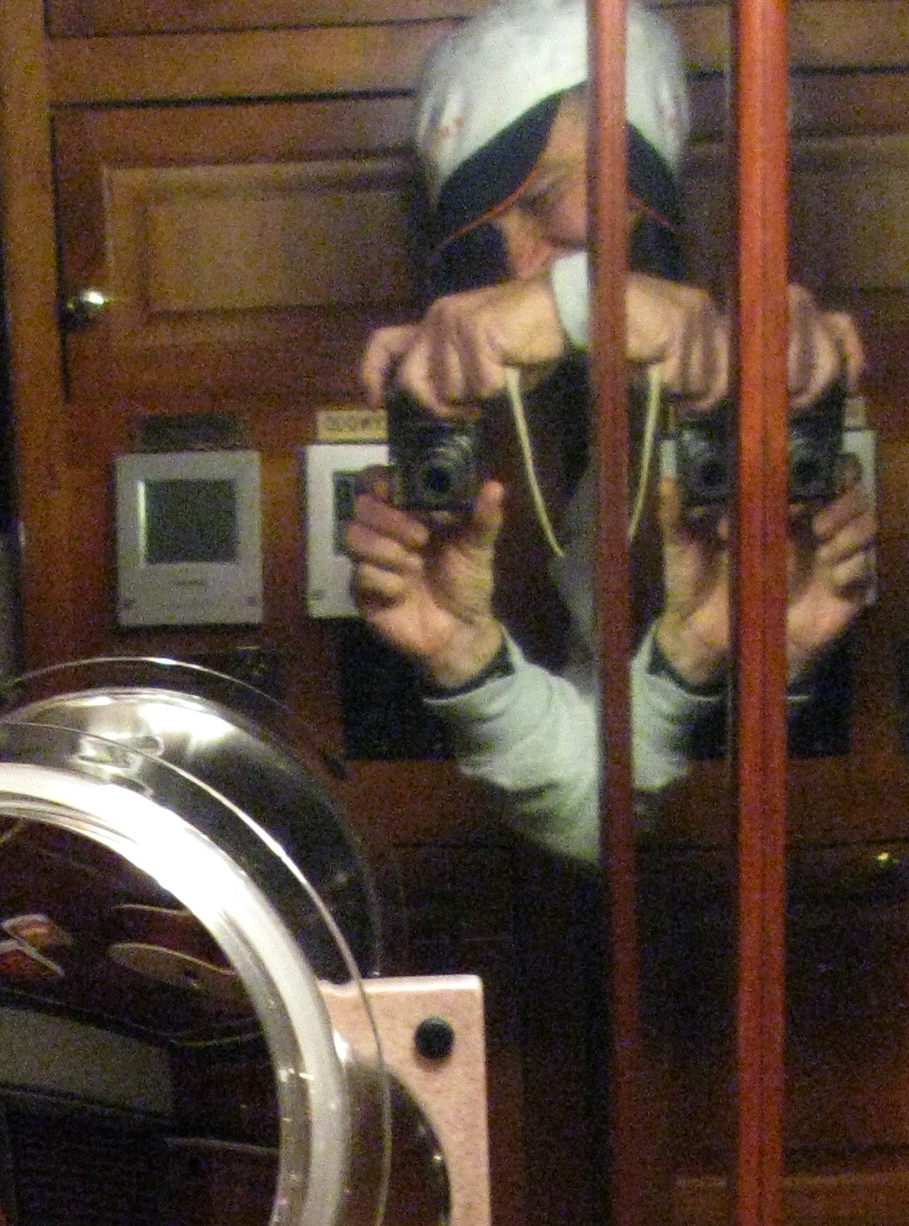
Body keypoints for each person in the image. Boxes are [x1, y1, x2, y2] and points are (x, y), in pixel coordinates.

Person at [344, 0, 877, 862]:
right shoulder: (451, 422)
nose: (584, 229)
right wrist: (461, 658)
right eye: (531, 197)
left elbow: (606, 821)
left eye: (623, 191)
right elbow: (592, 822)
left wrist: (752, 648)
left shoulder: (724, 385)